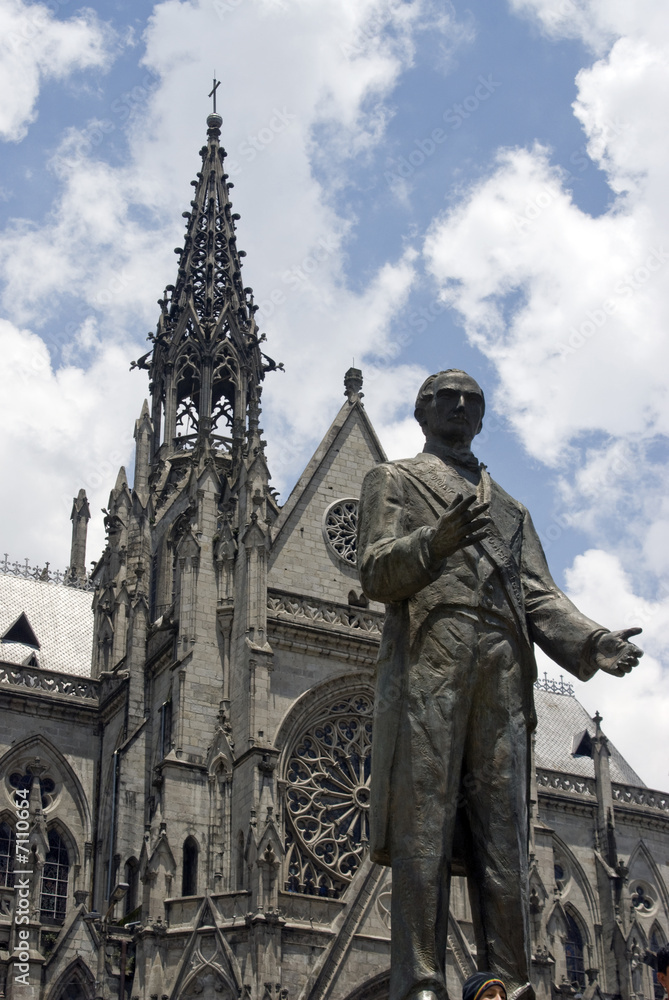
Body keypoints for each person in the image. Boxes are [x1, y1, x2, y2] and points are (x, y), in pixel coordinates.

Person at [357, 369, 643, 1000]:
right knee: (423, 826)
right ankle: (422, 980)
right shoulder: (395, 479)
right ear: (422, 412)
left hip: (505, 670)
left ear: (483, 418)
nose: (460, 407)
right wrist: (436, 541)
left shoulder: (512, 509)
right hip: (433, 657)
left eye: (472, 401)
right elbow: (376, 571)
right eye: (446, 399)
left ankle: (511, 980)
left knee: (505, 833)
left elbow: (538, 595)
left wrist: (594, 640)